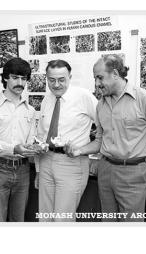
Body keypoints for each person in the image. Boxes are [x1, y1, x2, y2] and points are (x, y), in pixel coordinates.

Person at [65, 54, 146, 222]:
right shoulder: (101, 104)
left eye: (100, 77)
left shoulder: (144, 99)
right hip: (105, 170)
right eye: (95, 78)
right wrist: (78, 150)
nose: (96, 83)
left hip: (133, 173)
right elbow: (100, 141)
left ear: (115, 73)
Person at [34, 59, 97, 222]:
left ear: (70, 77)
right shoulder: (46, 99)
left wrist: (99, 154)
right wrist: (38, 170)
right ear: (46, 78)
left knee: (63, 219)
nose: (56, 85)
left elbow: (106, 127)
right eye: (51, 80)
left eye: (61, 80)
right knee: (45, 218)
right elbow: (41, 135)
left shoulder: (84, 97)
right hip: (46, 161)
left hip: (72, 163)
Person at [0, 57, 38, 222]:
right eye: (15, 77)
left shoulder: (31, 110)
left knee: (18, 220)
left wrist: (34, 148)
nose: (20, 82)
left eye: (24, 78)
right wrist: (15, 148)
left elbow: (29, 141)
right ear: (5, 77)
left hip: (23, 170)